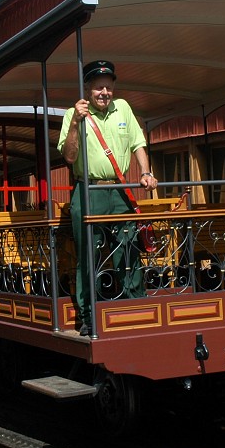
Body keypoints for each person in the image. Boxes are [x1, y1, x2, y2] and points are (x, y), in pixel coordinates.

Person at [57, 60, 158, 335]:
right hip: (89, 190)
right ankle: (89, 314)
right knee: (89, 254)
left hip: (120, 189)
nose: (104, 92)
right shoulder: (72, 115)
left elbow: (138, 143)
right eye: (99, 87)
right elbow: (69, 156)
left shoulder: (123, 108)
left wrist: (146, 172)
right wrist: (77, 123)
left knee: (128, 249)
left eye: (108, 87)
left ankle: (134, 305)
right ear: (88, 89)